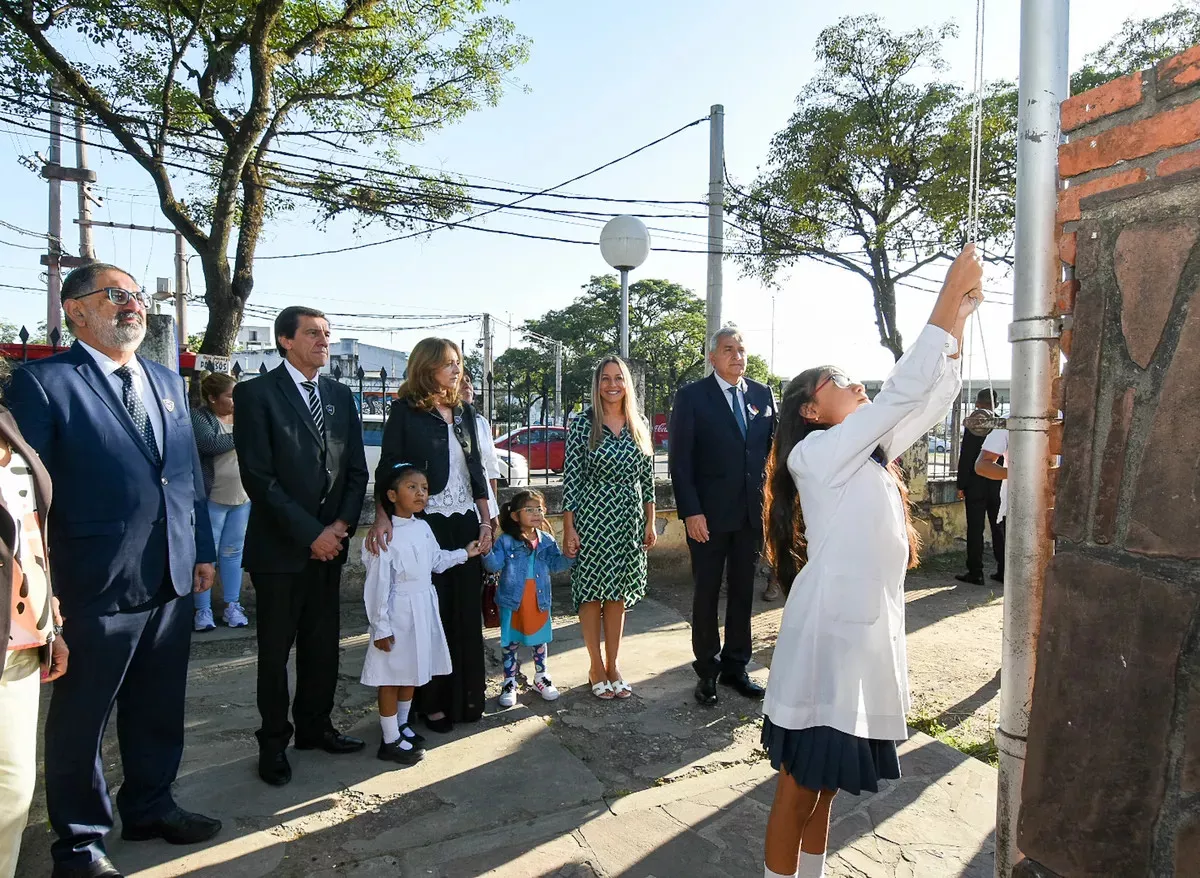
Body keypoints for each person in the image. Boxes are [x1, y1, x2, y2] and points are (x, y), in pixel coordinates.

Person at [759, 245, 982, 878]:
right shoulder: (818, 455)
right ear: (809, 408)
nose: (858, 382)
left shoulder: (869, 450)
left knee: (826, 790)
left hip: (863, 642)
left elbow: (929, 399)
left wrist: (959, 321)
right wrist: (945, 297)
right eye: (839, 378)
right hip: (828, 643)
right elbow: (898, 393)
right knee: (798, 788)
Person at [7, 262, 220, 878]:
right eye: (115, 296)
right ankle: (79, 843)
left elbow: (183, 477)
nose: (133, 306)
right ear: (75, 310)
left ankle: (152, 806)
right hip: (91, 581)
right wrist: (43, 590)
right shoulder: (43, 384)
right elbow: (31, 499)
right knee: (83, 720)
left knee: (159, 707)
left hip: (171, 576)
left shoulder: (166, 381)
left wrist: (201, 547)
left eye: (136, 296)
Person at [233, 306, 370, 786]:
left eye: (328, 334)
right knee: (274, 654)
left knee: (322, 646)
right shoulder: (255, 395)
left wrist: (338, 527)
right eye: (313, 333)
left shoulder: (337, 395)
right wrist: (310, 533)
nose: (324, 341)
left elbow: (356, 471)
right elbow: (259, 477)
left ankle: (316, 727)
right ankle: (273, 743)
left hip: (330, 548)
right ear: (285, 340)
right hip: (281, 551)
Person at [366, 338, 493, 732]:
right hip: (427, 522)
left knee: (465, 613)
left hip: (466, 521)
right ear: (426, 368)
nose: (456, 370)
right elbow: (388, 468)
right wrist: (383, 515)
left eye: (458, 363)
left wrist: (487, 519)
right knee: (429, 616)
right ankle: (431, 703)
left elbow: (476, 471)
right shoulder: (405, 412)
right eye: (447, 364)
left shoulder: (467, 412)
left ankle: (467, 698)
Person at [669, 326, 777, 706]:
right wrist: (692, 512)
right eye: (728, 350)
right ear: (712, 357)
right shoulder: (692, 397)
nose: (737, 356)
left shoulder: (762, 395)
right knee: (706, 592)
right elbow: (680, 463)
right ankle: (707, 671)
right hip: (708, 518)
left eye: (741, 349)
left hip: (750, 515)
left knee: (743, 593)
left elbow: (770, 454)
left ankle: (735, 666)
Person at [360, 463, 481, 765]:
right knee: (391, 676)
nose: (420, 493)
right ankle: (389, 740)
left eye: (424, 488)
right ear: (391, 494)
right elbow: (377, 585)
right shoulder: (384, 535)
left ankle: (401, 726)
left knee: (412, 670)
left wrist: (465, 553)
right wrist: (380, 627)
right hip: (397, 611)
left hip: (423, 607)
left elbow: (436, 561)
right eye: (411, 487)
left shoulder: (423, 527)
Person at [0, 366, 69, 878]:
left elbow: (28, 531)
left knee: (12, 789)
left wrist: (51, 623)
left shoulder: (6, 421)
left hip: (21, 638)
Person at [562, 357, 657, 700]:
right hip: (593, 518)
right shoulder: (583, 424)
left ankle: (614, 664)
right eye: (605, 379)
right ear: (597, 384)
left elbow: (647, 478)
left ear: (627, 384)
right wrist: (568, 529)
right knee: (591, 594)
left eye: (619, 378)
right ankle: (594, 666)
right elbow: (571, 479)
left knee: (616, 594)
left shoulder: (638, 423)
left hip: (628, 520)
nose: (612, 384)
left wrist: (650, 520)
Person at [482, 489, 574, 708]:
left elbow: (556, 565)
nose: (536, 514)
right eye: (529, 509)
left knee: (539, 640)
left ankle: (541, 677)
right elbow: (494, 565)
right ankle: (509, 681)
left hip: (539, 599)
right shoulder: (505, 541)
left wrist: (570, 555)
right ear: (515, 515)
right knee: (510, 641)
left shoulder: (547, 540)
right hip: (513, 601)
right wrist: (485, 552)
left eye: (539, 509)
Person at [191, 372, 251, 630]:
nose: (235, 401)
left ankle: (232, 606)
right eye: (230, 396)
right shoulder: (200, 417)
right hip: (212, 497)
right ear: (213, 398)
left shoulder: (242, 418)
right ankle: (202, 610)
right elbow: (209, 443)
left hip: (242, 498)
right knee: (206, 555)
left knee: (233, 553)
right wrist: (247, 432)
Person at [955, 389, 1004, 585]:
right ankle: (1003, 571)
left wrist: (961, 484)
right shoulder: (1003, 424)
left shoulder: (975, 423)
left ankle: (976, 572)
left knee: (975, 529)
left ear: (978, 404)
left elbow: (966, 456)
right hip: (998, 483)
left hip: (975, 484)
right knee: (998, 527)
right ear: (996, 404)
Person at [975, 427, 1008, 532]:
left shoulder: (1060, 417)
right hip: (1016, 509)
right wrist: (1025, 475)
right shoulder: (1008, 422)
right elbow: (982, 465)